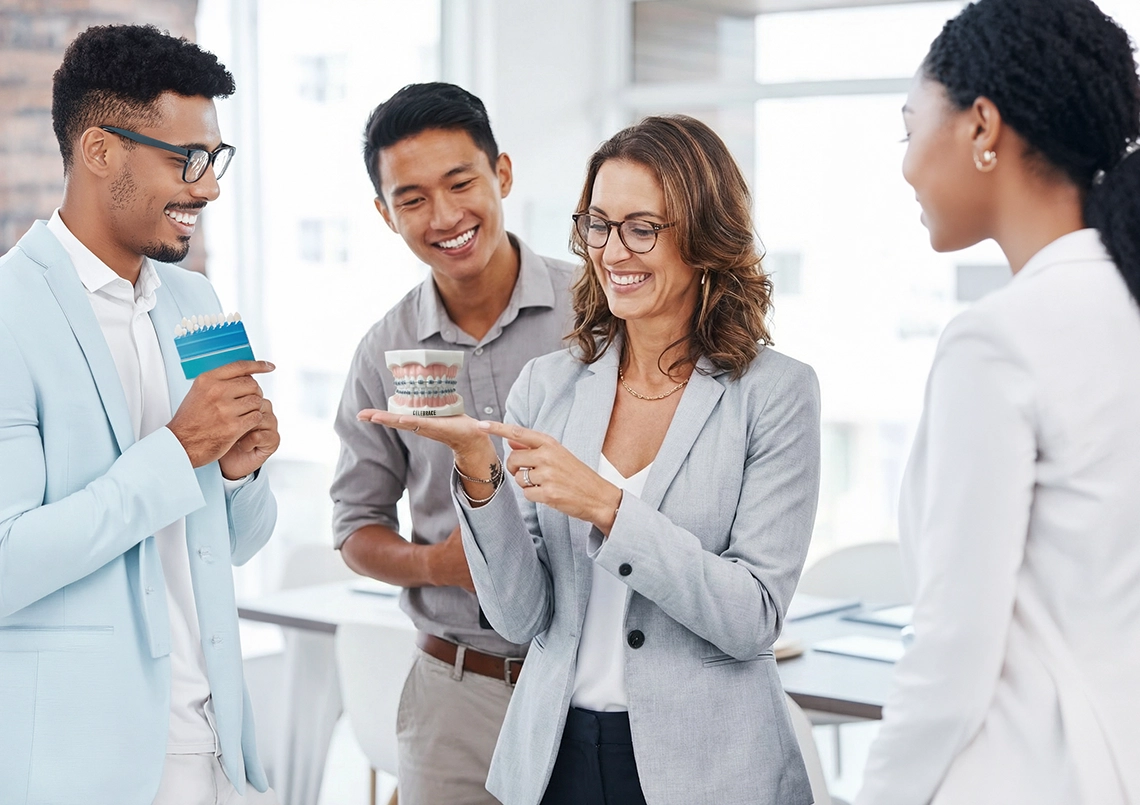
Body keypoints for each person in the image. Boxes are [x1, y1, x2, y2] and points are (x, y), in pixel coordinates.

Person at [361, 115, 821, 805]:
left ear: (703, 236)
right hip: (558, 757)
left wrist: (607, 506)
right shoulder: (548, 385)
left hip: (708, 767)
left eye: (642, 227)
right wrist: (478, 472)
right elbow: (520, 617)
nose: (612, 251)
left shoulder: (775, 393)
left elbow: (751, 618)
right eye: (598, 225)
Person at [856, 1, 1140, 803]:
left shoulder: (999, 340)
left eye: (909, 127)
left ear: (982, 126)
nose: (907, 163)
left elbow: (953, 647)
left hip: (1023, 770)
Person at [0, 25, 280, 805]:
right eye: (185, 160)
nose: (209, 188)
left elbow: (240, 541)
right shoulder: (7, 314)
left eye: (215, 160)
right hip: (80, 767)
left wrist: (240, 467)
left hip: (217, 747)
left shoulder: (194, 300)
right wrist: (179, 449)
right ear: (99, 150)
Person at [330, 82, 574, 804]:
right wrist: (433, 562)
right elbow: (354, 530)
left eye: (460, 182)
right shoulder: (384, 349)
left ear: (501, 173)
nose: (444, 217)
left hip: (586, 683)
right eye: (411, 199)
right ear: (385, 213)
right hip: (457, 695)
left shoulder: (597, 315)